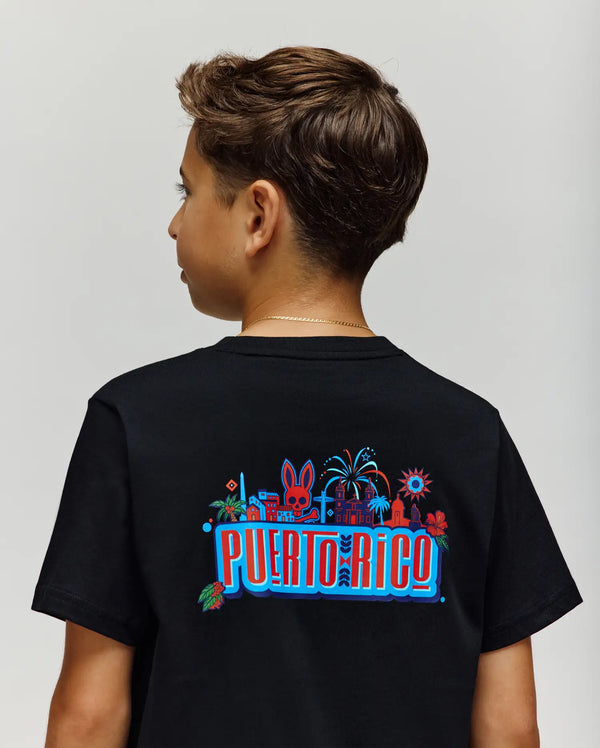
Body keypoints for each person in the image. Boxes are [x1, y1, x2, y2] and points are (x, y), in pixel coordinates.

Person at [31, 45, 582, 747]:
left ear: (259, 215)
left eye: (187, 191)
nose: (174, 223)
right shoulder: (472, 434)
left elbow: (88, 719)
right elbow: (509, 727)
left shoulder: (135, 421)